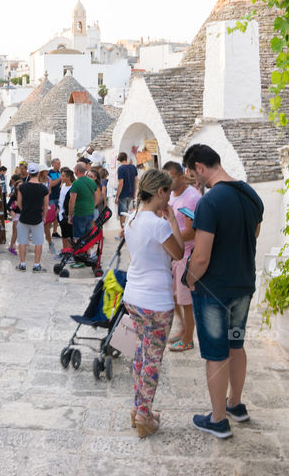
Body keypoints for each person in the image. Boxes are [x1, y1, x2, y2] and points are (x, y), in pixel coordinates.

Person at [183, 144, 263, 439]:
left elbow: (201, 257)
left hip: (214, 292)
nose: (194, 180)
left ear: (200, 167)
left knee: (215, 354)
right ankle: (235, 404)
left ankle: (217, 420)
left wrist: (190, 279)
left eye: (193, 174)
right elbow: (253, 234)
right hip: (243, 286)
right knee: (235, 344)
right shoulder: (250, 195)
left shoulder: (210, 202)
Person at [122, 168, 184, 438]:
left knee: (140, 352)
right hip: (156, 301)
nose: (170, 196)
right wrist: (172, 221)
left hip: (133, 297)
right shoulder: (158, 224)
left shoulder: (132, 218)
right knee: (153, 359)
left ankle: (138, 409)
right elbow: (179, 253)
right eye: (168, 191)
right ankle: (145, 417)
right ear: (160, 192)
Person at [163, 161, 201, 352]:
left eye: (171, 178)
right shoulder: (170, 196)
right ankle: (184, 328)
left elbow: (193, 231)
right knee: (174, 296)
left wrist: (168, 238)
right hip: (174, 254)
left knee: (185, 300)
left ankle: (188, 338)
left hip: (187, 254)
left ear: (180, 176)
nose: (168, 182)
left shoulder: (192, 198)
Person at [15, 164, 49, 272]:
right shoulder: (44, 188)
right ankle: (36, 265)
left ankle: (22, 264)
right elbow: (46, 205)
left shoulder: (22, 187)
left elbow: (19, 203)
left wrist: (24, 210)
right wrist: (44, 217)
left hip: (24, 217)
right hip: (37, 218)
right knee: (38, 242)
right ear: (38, 173)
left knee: (22, 242)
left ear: (28, 173)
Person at [68, 162, 99, 239]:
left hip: (79, 213)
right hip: (90, 213)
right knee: (87, 237)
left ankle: (79, 251)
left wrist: (70, 215)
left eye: (74, 169)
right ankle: (87, 251)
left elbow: (72, 201)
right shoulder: (92, 182)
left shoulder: (76, 183)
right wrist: (91, 206)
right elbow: (97, 197)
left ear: (77, 170)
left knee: (77, 238)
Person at [115, 152, 139, 231]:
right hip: (131, 193)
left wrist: (117, 196)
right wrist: (135, 192)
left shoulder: (121, 168)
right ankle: (128, 229)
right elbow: (136, 180)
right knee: (129, 213)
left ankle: (123, 231)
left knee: (123, 213)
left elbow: (120, 184)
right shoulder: (133, 167)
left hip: (123, 194)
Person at [56, 167, 75, 255]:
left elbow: (72, 202)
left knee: (69, 235)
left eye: (63, 176)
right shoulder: (63, 185)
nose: (61, 177)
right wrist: (58, 209)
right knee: (63, 234)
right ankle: (64, 251)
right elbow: (60, 198)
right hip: (60, 214)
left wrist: (70, 215)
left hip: (67, 214)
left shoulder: (73, 187)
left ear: (68, 177)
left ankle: (69, 253)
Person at [6, 174, 22, 255]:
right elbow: (8, 205)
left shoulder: (25, 196)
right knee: (15, 232)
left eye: (21, 185)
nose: (20, 187)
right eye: (18, 185)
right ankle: (11, 246)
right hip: (17, 215)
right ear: (15, 187)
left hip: (24, 216)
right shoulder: (14, 196)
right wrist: (11, 211)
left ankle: (20, 247)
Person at [47, 158, 63, 238]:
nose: (59, 165)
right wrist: (60, 179)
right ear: (53, 164)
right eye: (58, 164)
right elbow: (51, 184)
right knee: (51, 215)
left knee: (57, 215)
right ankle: (48, 232)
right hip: (52, 197)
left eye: (59, 164)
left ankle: (55, 231)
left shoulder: (60, 173)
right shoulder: (49, 173)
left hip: (59, 197)